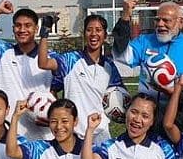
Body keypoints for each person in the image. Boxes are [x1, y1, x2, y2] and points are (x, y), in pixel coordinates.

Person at [0, 0, 58, 140]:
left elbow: (55, 91)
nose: (22, 30)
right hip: (9, 131)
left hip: (43, 134)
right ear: (13, 29)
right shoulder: (3, 52)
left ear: (36, 29)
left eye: (27, 26)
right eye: (18, 26)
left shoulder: (49, 57)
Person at [38, 13, 124, 145]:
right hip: (74, 134)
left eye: (98, 30)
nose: (93, 34)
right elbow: (43, 63)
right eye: (89, 30)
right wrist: (45, 32)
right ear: (84, 34)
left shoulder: (109, 67)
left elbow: (121, 97)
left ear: (105, 36)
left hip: (101, 133)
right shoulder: (70, 60)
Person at [111, 0, 183, 107]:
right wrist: (125, 17)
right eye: (157, 20)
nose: (160, 24)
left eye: (166, 20)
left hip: (178, 114)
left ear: (181, 23)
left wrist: (176, 91)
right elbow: (121, 55)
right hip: (148, 113)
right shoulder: (145, 41)